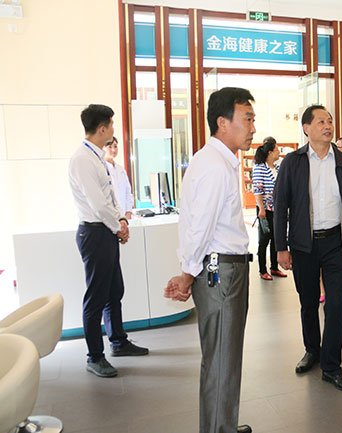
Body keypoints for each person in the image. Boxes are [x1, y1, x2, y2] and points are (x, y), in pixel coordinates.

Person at [163, 87, 256, 433]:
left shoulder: (214, 160)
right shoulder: (216, 166)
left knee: (222, 356)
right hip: (220, 269)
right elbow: (200, 227)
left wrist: (189, 270)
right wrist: (187, 273)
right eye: (247, 119)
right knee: (221, 359)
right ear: (223, 122)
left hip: (221, 266)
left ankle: (221, 423)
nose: (253, 128)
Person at [274, 105, 342, 392]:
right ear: (306, 128)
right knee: (308, 301)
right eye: (321, 121)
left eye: (330, 121)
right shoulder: (293, 162)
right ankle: (312, 350)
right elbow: (280, 206)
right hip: (304, 244)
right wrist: (281, 247)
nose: (328, 126)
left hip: (336, 243)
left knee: (336, 305)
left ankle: (332, 366)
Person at [69, 104, 148, 379]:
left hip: (106, 231)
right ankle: (94, 356)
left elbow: (110, 197)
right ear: (102, 129)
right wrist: (118, 227)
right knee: (96, 297)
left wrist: (121, 221)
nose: (114, 129)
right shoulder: (82, 159)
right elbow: (98, 204)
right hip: (95, 233)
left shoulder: (96, 156)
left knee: (114, 291)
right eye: (112, 124)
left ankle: (118, 341)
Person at [252, 136, 287, 281]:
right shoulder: (259, 168)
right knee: (264, 240)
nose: (279, 152)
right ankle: (262, 269)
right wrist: (261, 208)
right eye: (277, 150)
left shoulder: (277, 168)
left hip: (277, 209)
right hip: (265, 209)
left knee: (275, 238)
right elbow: (257, 190)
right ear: (270, 153)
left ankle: (274, 267)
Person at [104, 136, 134, 219]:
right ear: (103, 148)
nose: (113, 150)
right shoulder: (101, 169)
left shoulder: (120, 169)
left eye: (115, 146)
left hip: (124, 216)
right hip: (109, 217)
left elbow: (128, 192)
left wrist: (128, 211)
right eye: (110, 147)